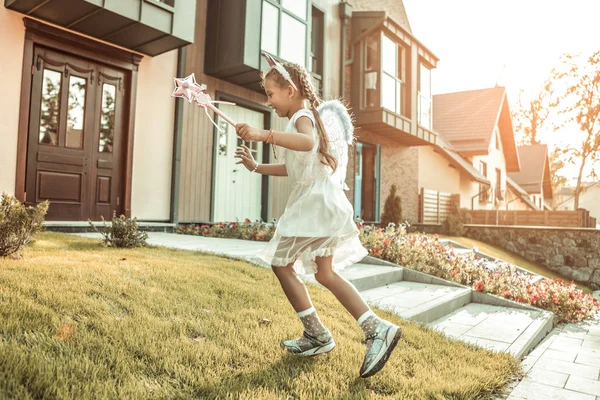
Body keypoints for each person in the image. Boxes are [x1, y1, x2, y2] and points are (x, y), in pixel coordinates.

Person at [234, 54, 401, 378]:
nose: (269, 101)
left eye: (270, 93)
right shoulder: (301, 119)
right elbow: (295, 166)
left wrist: (263, 134)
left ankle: (318, 333)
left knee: (281, 263)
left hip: (315, 205)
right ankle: (374, 328)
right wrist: (257, 167)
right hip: (322, 204)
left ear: (291, 90)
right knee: (324, 273)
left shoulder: (303, 118)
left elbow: (307, 141)